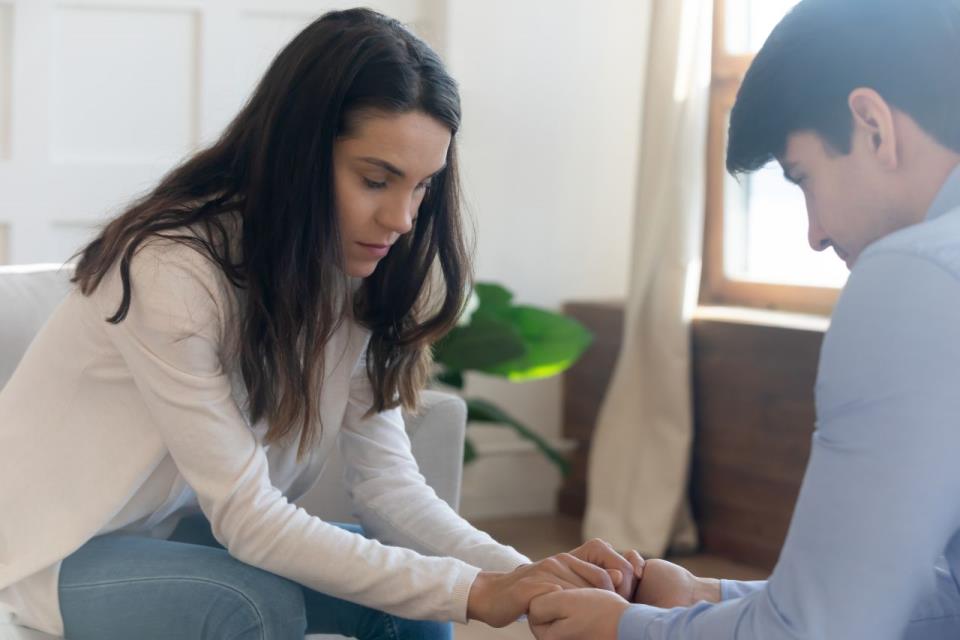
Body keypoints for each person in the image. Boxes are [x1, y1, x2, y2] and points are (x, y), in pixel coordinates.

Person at [0, 9, 641, 639]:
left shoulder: (349, 275)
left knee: (408, 595)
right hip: (50, 552)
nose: (402, 219)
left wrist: (531, 577)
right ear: (297, 155)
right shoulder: (170, 270)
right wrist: (477, 592)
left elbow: (389, 489)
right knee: (252, 601)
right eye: (376, 179)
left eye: (422, 187)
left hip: (169, 534)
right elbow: (248, 520)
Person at [526, 0, 960, 638]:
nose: (813, 234)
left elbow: (816, 634)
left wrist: (626, 631)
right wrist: (709, 595)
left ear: (872, 125)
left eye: (802, 177)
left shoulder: (917, 275)